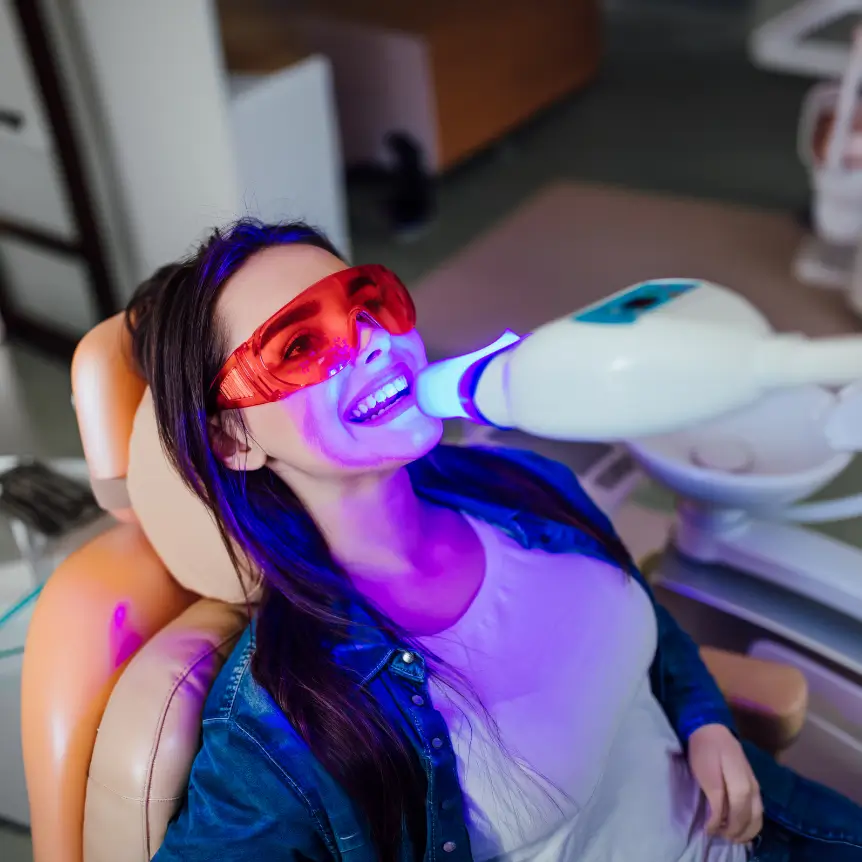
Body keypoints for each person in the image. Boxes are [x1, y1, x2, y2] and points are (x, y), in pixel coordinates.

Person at [128, 220, 862, 862]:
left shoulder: (522, 484)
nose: (371, 343)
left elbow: (642, 617)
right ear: (233, 439)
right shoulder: (285, 721)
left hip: (770, 829)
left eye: (368, 302)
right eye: (299, 346)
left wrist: (705, 723)